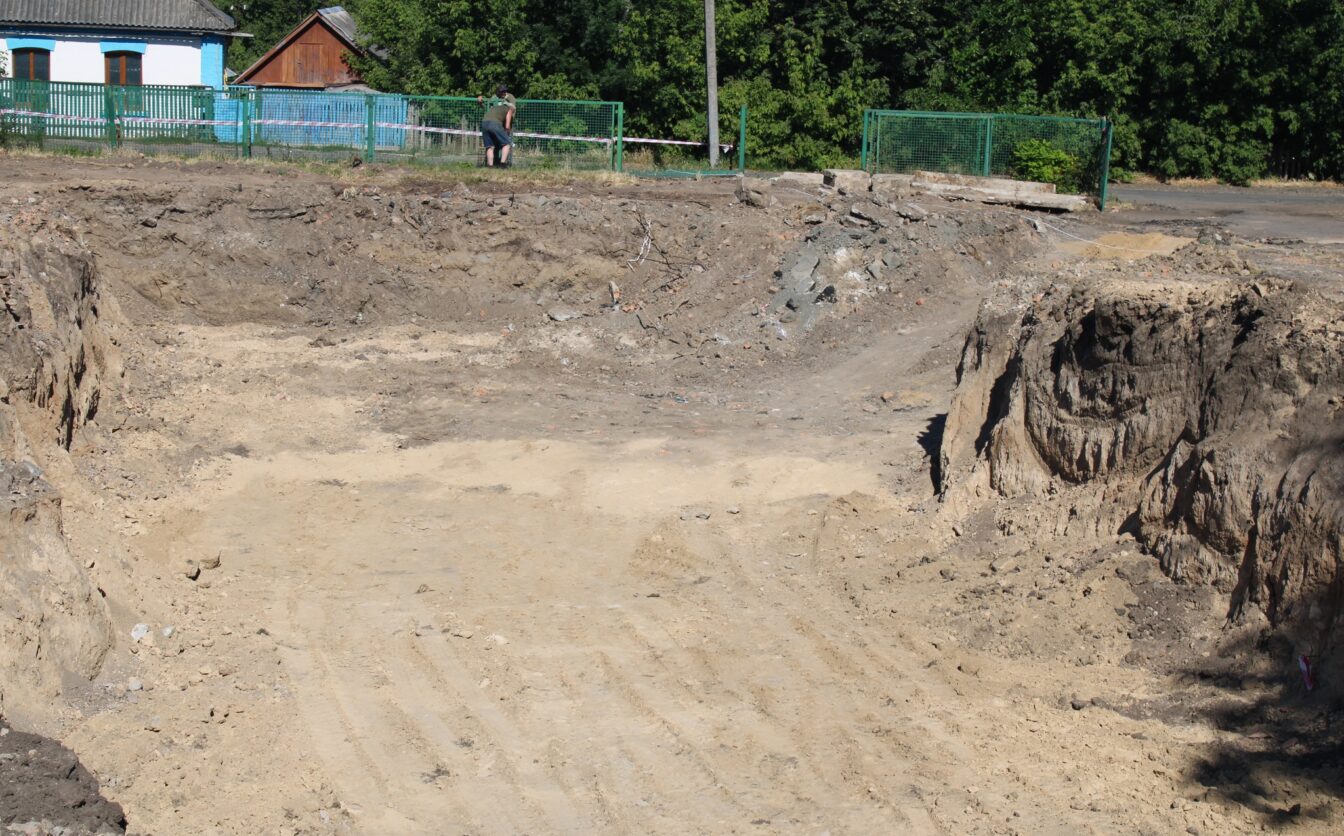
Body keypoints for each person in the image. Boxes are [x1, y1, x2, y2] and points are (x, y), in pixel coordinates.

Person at [477, 85, 516, 167]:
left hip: (485, 122)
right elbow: (509, 117)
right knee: (507, 143)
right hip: (496, 123)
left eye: (505, 91)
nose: (504, 93)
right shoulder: (508, 108)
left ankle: (490, 167)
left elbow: (487, 107)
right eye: (502, 91)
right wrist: (507, 129)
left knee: (489, 146)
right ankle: (503, 165)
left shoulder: (507, 99)